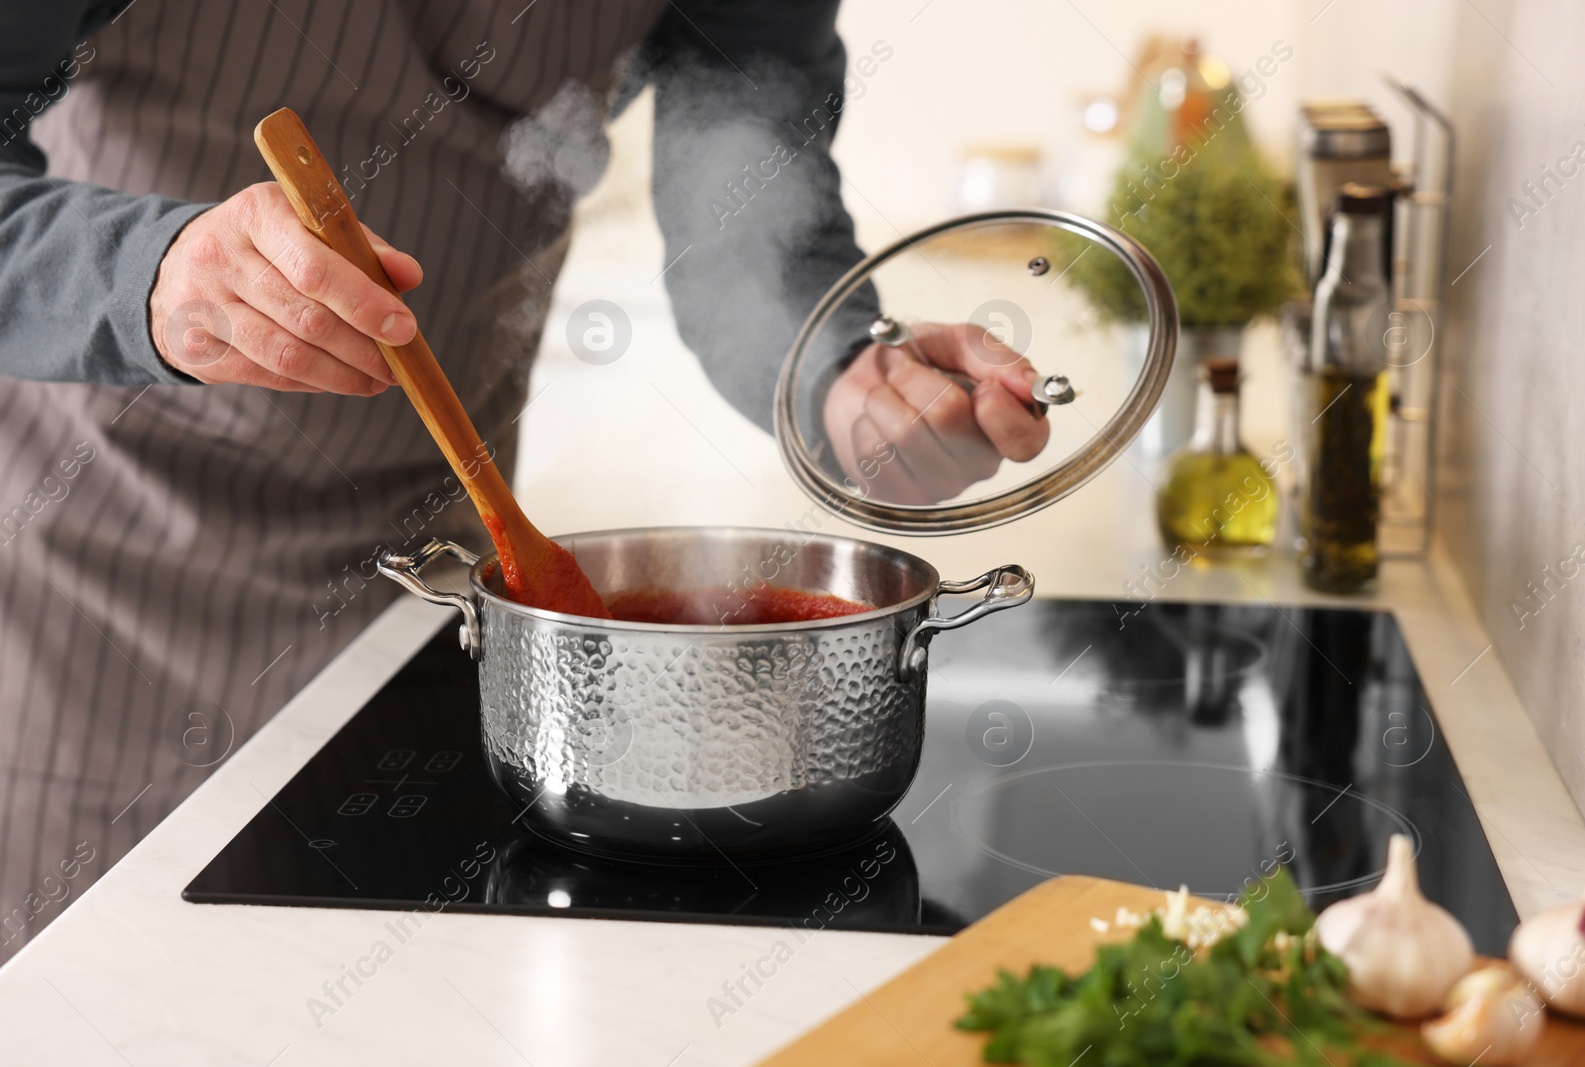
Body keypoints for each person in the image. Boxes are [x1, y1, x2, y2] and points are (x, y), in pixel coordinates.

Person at [0, 0, 1046, 958]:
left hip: (443, 602)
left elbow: (745, 189)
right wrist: (151, 272)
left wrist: (842, 378)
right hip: (106, 595)